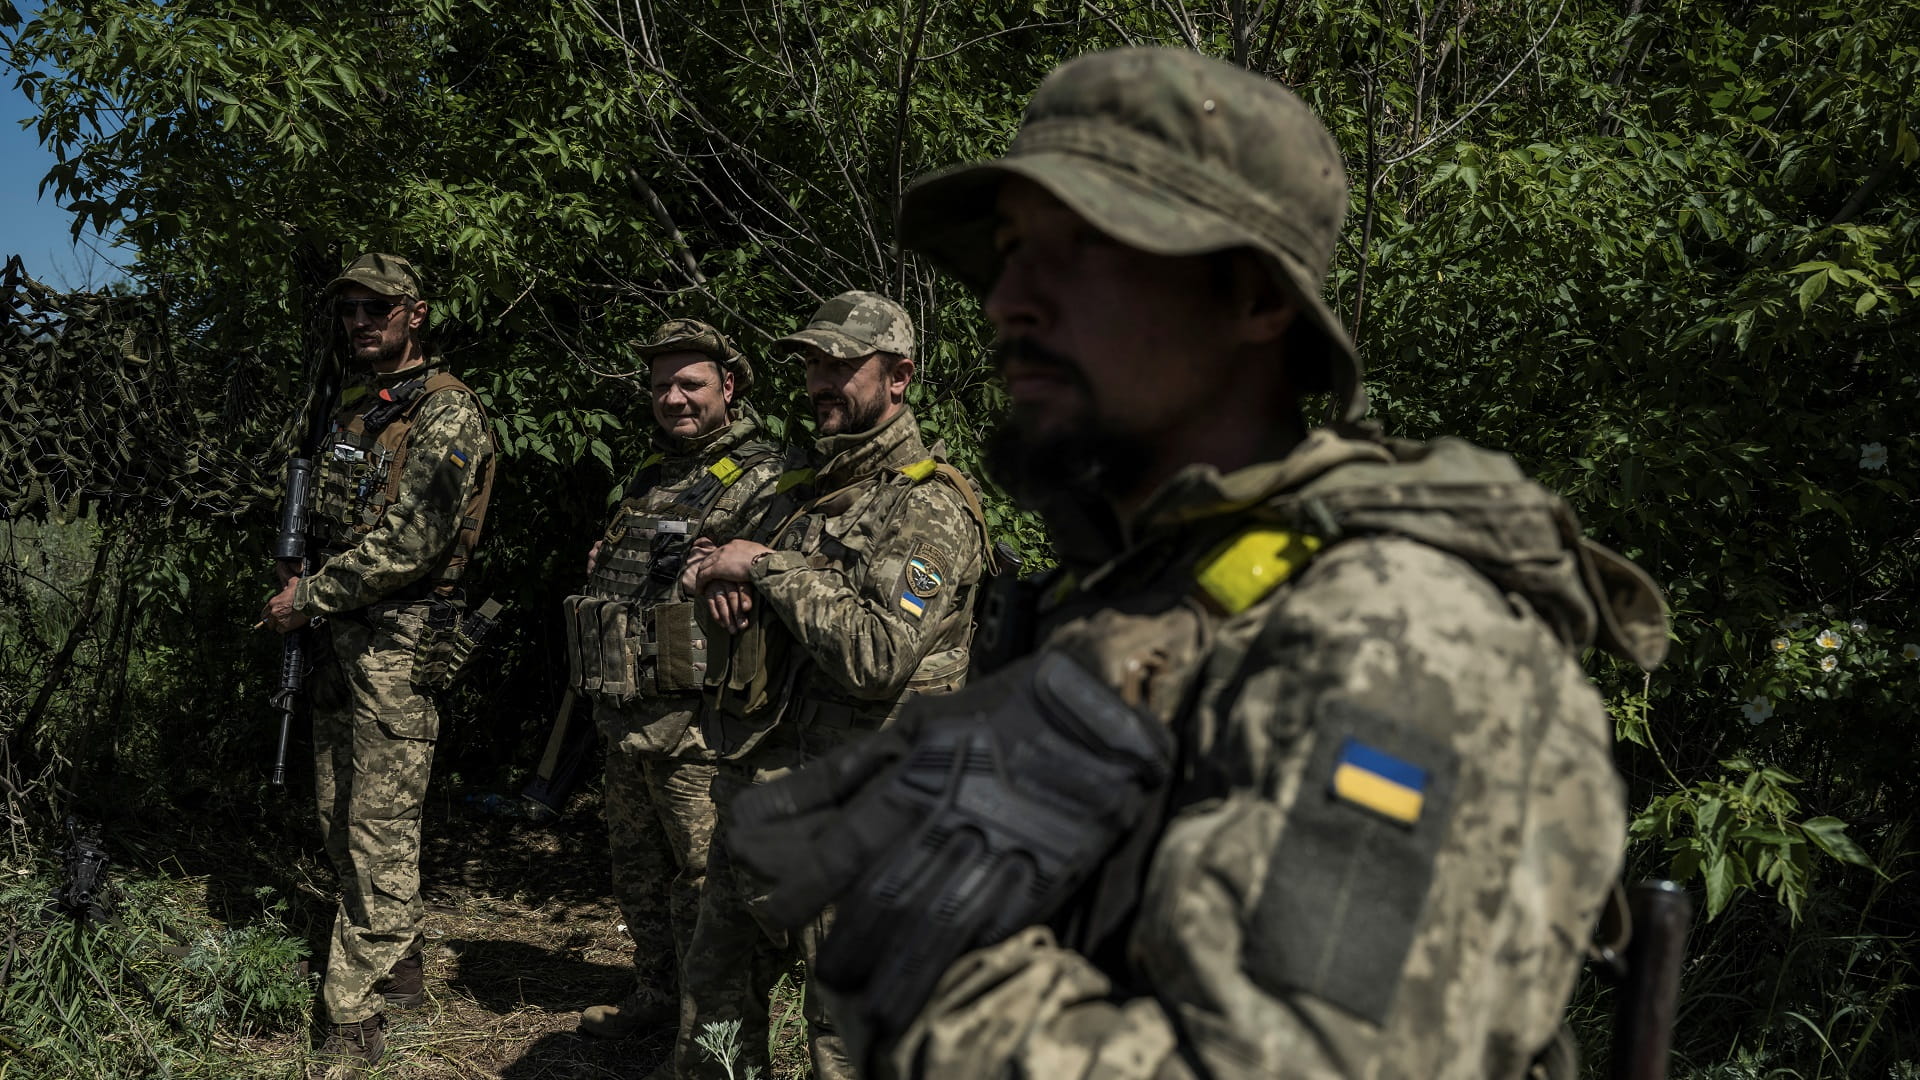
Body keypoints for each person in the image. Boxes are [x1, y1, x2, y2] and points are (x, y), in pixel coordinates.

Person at [724, 48, 1672, 1079]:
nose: (1008, 303)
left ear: (1257, 301)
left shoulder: (1399, 639)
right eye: (1009, 254)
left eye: (1079, 250)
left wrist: (938, 968)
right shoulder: (1144, 590)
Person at [674, 291, 991, 1080]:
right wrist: (715, 575)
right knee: (714, 1005)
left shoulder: (930, 506)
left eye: (842, 364)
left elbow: (880, 653)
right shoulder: (802, 485)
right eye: (813, 362)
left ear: (899, 378)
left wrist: (767, 569)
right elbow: (712, 551)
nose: (821, 380)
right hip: (763, 791)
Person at [260, 253, 497, 1078]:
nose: (361, 322)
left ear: (415, 313)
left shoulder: (447, 412)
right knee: (338, 813)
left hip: (396, 641)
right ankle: (398, 975)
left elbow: (413, 543)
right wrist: (301, 580)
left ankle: (353, 1018)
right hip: (338, 635)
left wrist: (308, 596)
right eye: (351, 310)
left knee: (379, 829)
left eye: (377, 309)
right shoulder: (352, 409)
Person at [561, 319, 788, 1048]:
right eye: (662, 384)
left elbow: (785, 576)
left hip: (702, 724)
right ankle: (658, 996)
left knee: (703, 885)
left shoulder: (771, 474)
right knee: (638, 873)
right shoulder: (652, 475)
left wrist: (739, 570)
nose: (674, 397)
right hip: (628, 711)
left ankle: (707, 1037)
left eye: (690, 383)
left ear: (730, 385)